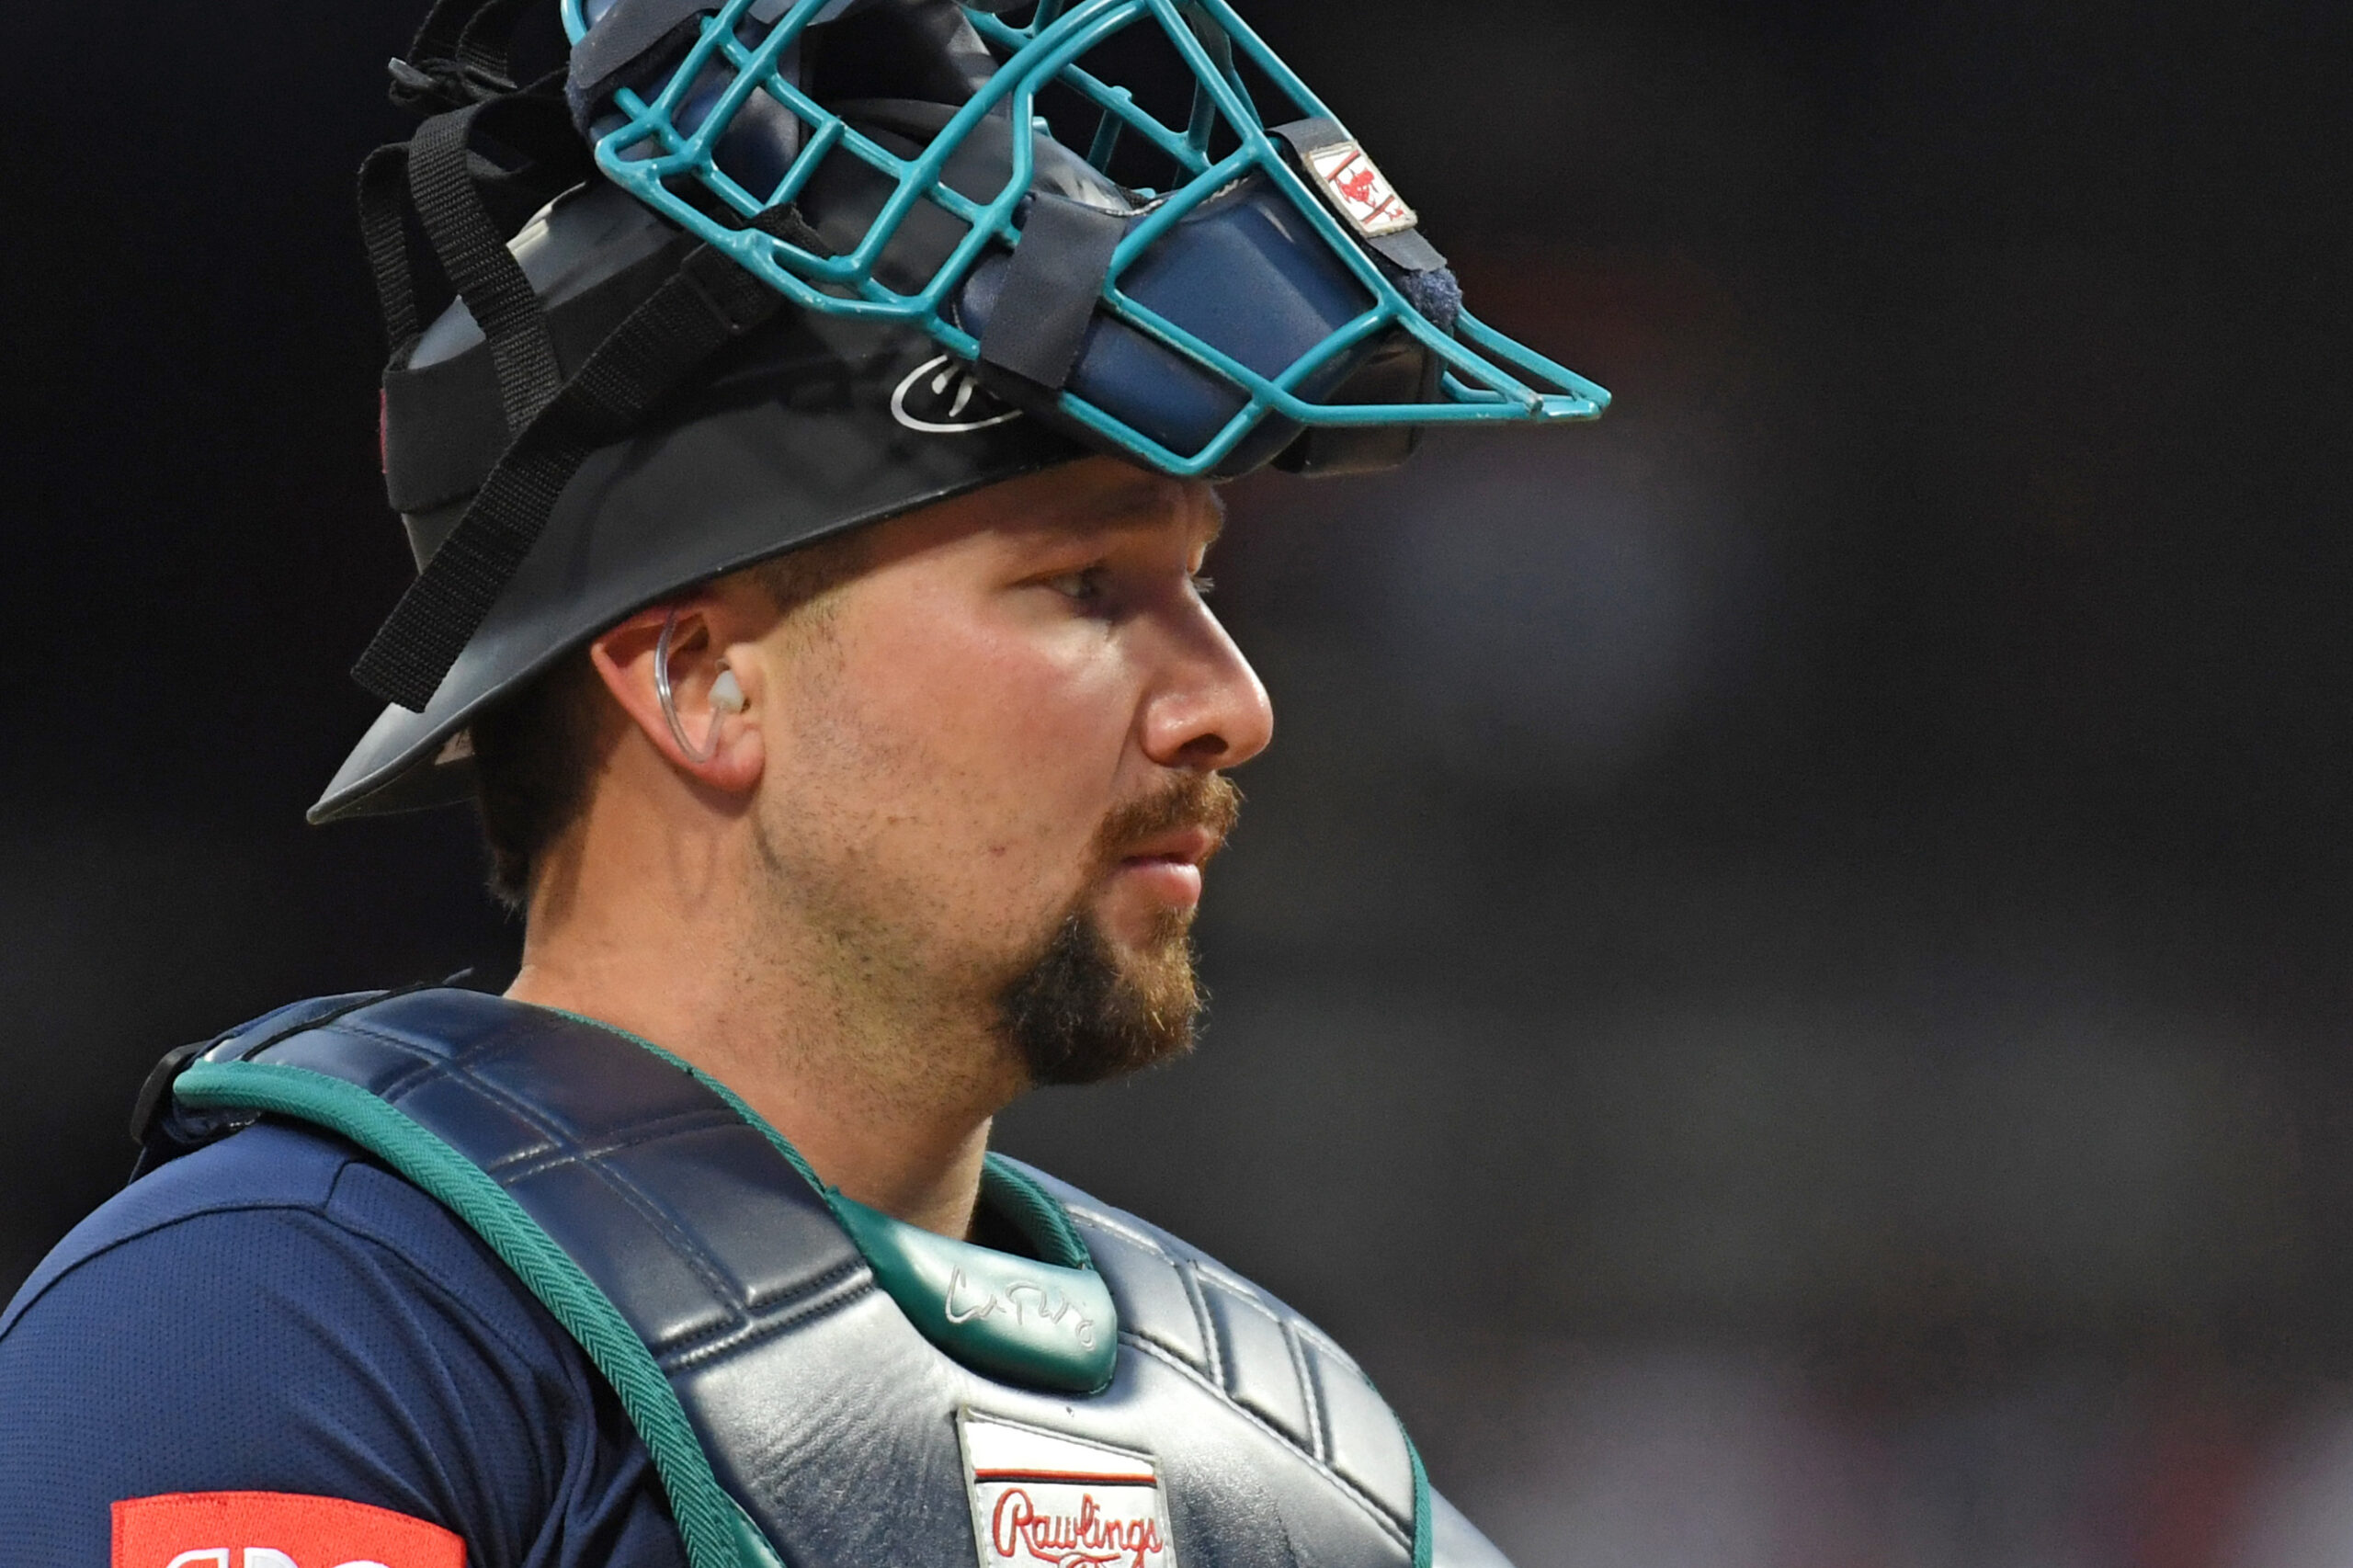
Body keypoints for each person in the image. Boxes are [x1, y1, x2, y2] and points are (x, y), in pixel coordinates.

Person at [0, 2, 1608, 1565]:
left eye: (1200, 581)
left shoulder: (1293, 1450)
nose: (1231, 706)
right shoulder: (288, 1326)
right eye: (1083, 586)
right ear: (703, 680)